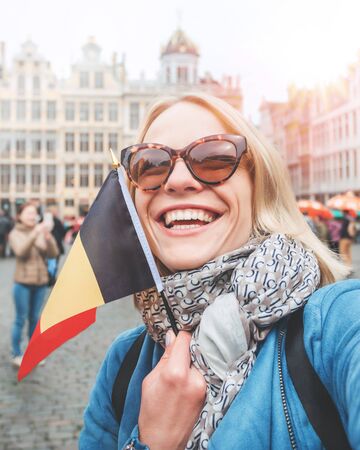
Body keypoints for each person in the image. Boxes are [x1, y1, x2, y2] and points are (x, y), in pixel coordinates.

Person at [79, 94, 360, 449]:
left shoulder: (336, 324)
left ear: (260, 186)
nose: (177, 181)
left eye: (214, 158)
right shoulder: (123, 361)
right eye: (150, 164)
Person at [9, 202, 59, 368]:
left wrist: (48, 237)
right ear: (20, 216)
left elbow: (53, 253)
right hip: (22, 284)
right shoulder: (15, 233)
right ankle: (16, 353)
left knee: (34, 319)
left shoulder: (40, 232)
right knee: (20, 319)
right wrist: (35, 233)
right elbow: (21, 252)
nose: (32, 216)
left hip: (40, 283)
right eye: (28, 213)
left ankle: (33, 354)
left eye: (34, 213)